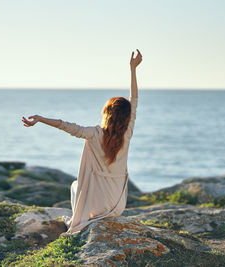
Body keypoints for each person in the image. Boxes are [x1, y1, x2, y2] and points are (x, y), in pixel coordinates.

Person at [22, 49, 142, 237]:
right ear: (126, 117)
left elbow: (67, 126)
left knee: (74, 186)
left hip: (98, 208)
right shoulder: (128, 133)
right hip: (118, 205)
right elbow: (134, 100)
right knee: (80, 185)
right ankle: (80, 218)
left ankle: (77, 220)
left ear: (107, 113)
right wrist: (133, 69)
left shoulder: (94, 134)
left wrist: (41, 119)